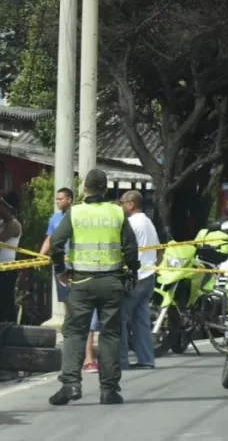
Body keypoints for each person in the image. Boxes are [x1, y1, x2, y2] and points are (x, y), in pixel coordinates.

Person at [48, 169, 140, 406]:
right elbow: (130, 247)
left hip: (81, 283)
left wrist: (60, 269)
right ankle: (109, 390)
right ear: (106, 189)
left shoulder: (75, 212)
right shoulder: (117, 212)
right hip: (112, 282)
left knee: (75, 332)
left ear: (84, 189)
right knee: (110, 335)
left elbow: (56, 242)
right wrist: (133, 271)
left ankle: (71, 384)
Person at [119, 190, 161, 369]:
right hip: (149, 275)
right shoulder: (148, 222)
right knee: (141, 320)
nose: (120, 206)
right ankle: (146, 359)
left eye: (122, 203)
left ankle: (120, 360)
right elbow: (159, 250)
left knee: (119, 318)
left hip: (136, 277)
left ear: (131, 204)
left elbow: (125, 249)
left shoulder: (131, 223)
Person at [0, 191, 22, 324]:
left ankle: (10, 329)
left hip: (5, 271)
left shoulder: (13, 225)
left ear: (8, 208)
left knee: (6, 303)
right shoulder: (1, 223)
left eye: (0, 205)